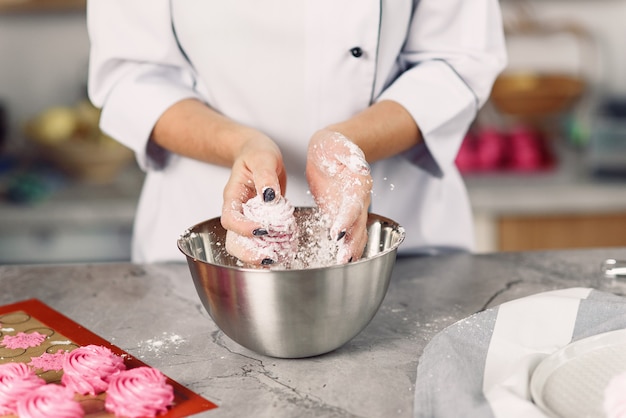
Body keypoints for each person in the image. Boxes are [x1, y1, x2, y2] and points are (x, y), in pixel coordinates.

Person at [86, 1, 507, 265]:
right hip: (205, 246)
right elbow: (131, 75)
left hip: (399, 241)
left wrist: (350, 142)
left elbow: (459, 60)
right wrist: (240, 146)